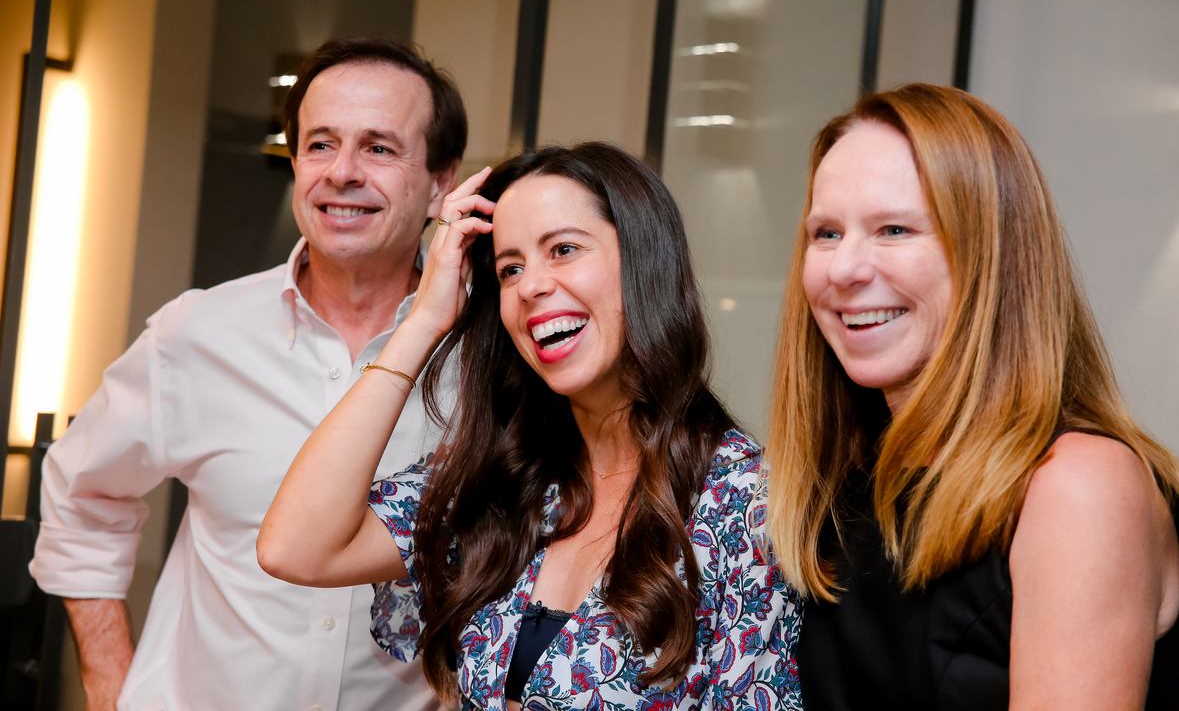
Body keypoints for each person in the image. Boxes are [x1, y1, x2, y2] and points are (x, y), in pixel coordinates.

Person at [257, 142, 803, 711]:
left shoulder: (744, 503)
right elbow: (296, 547)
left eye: (564, 249)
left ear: (645, 261)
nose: (531, 286)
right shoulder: (506, 478)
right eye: (510, 269)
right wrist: (424, 320)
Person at [30, 36, 466, 711]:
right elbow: (79, 495)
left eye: (379, 148)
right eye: (320, 144)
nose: (341, 172)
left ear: (441, 183)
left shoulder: (489, 360)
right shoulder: (197, 334)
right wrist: (111, 684)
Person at [766, 83, 1179, 710]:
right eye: (826, 233)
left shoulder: (1076, 486)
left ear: (992, 254)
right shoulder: (839, 484)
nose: (843, 269)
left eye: (894, 229)